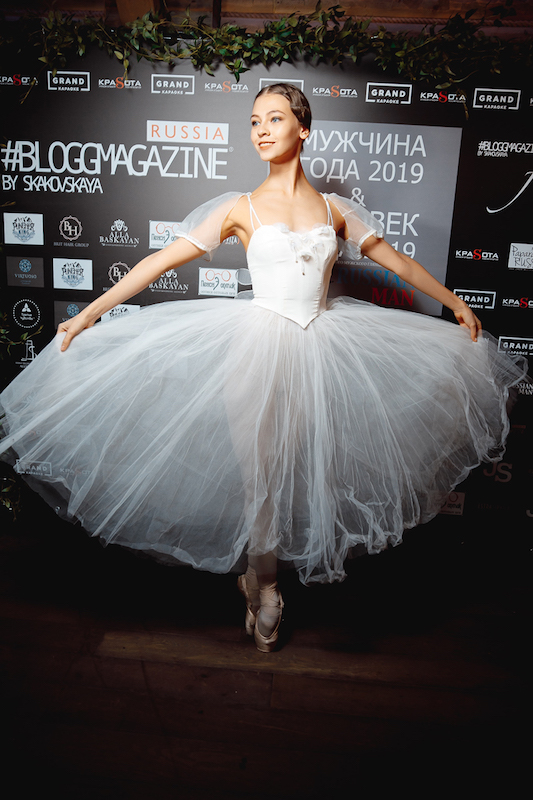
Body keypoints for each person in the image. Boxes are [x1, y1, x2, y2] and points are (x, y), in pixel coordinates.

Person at [0, 84, 527, 653]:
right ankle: (270, 587)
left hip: (320, 353)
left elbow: (397, 263)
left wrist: (455, 303)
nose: (261, 130)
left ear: (304, 129)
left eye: (274, 119)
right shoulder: (239, 208)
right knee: (261, 480)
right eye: (254, 121)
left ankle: (256, 572)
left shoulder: (336, 210)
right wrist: (88, 315)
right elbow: (158, 262)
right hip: (254, 350)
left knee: (296, 472)